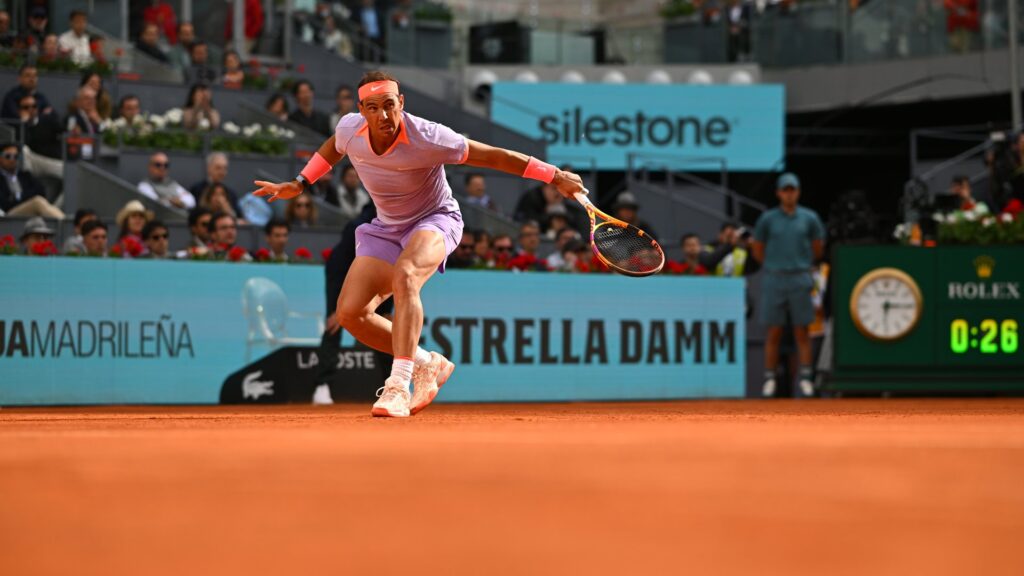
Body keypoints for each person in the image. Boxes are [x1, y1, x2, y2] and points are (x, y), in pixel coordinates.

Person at [253, 70, 585, 417]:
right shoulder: (350, 129)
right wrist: (301, 181)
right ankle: (428, 362)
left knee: (407, 275)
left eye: (389, 105)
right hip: (386, 229)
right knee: (351, 313)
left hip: (436, 220)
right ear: (361, 110)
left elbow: (494, 156)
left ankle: (398, 386)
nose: (383, 115)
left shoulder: (430, 137)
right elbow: (333, 148)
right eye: (373, 108)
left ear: (401, 103)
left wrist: (555, 175)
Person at [751, 173, 826, 399]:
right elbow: (757, 248)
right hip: (775, 278)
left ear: (798, 192)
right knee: (773, 330)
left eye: (792, 189)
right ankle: (770, 379)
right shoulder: (767, 219)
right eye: (785, 190)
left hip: (800, 278)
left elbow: (817, 248)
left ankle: (805, 379)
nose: (789, 194)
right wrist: (774, 266)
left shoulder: (810, 218)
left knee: (801, 331)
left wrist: (799, 265)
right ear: (778, 193)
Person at [0, 143, 63, 219]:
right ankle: (67, 225)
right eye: (8, 156)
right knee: (37, 203)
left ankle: (65, 223)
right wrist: (25, 199)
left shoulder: (24, 175)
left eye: (15, 157)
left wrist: (18, 198)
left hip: (27, 211)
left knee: (43, 204)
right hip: (7, 216)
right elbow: (4, 203)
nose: (12, 160)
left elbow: (41, 192)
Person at [16, 94, 64, 182]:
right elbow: (23, 142)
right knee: (24, 149)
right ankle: (28, 186)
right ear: (20, 111)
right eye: (26, 107)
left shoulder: (48, 120)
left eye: (34, 106)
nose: (30, 109)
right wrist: (24, 124)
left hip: (50, 160)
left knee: (71, 173)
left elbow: (63, 130)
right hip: (33, 161)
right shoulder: (19, 126)